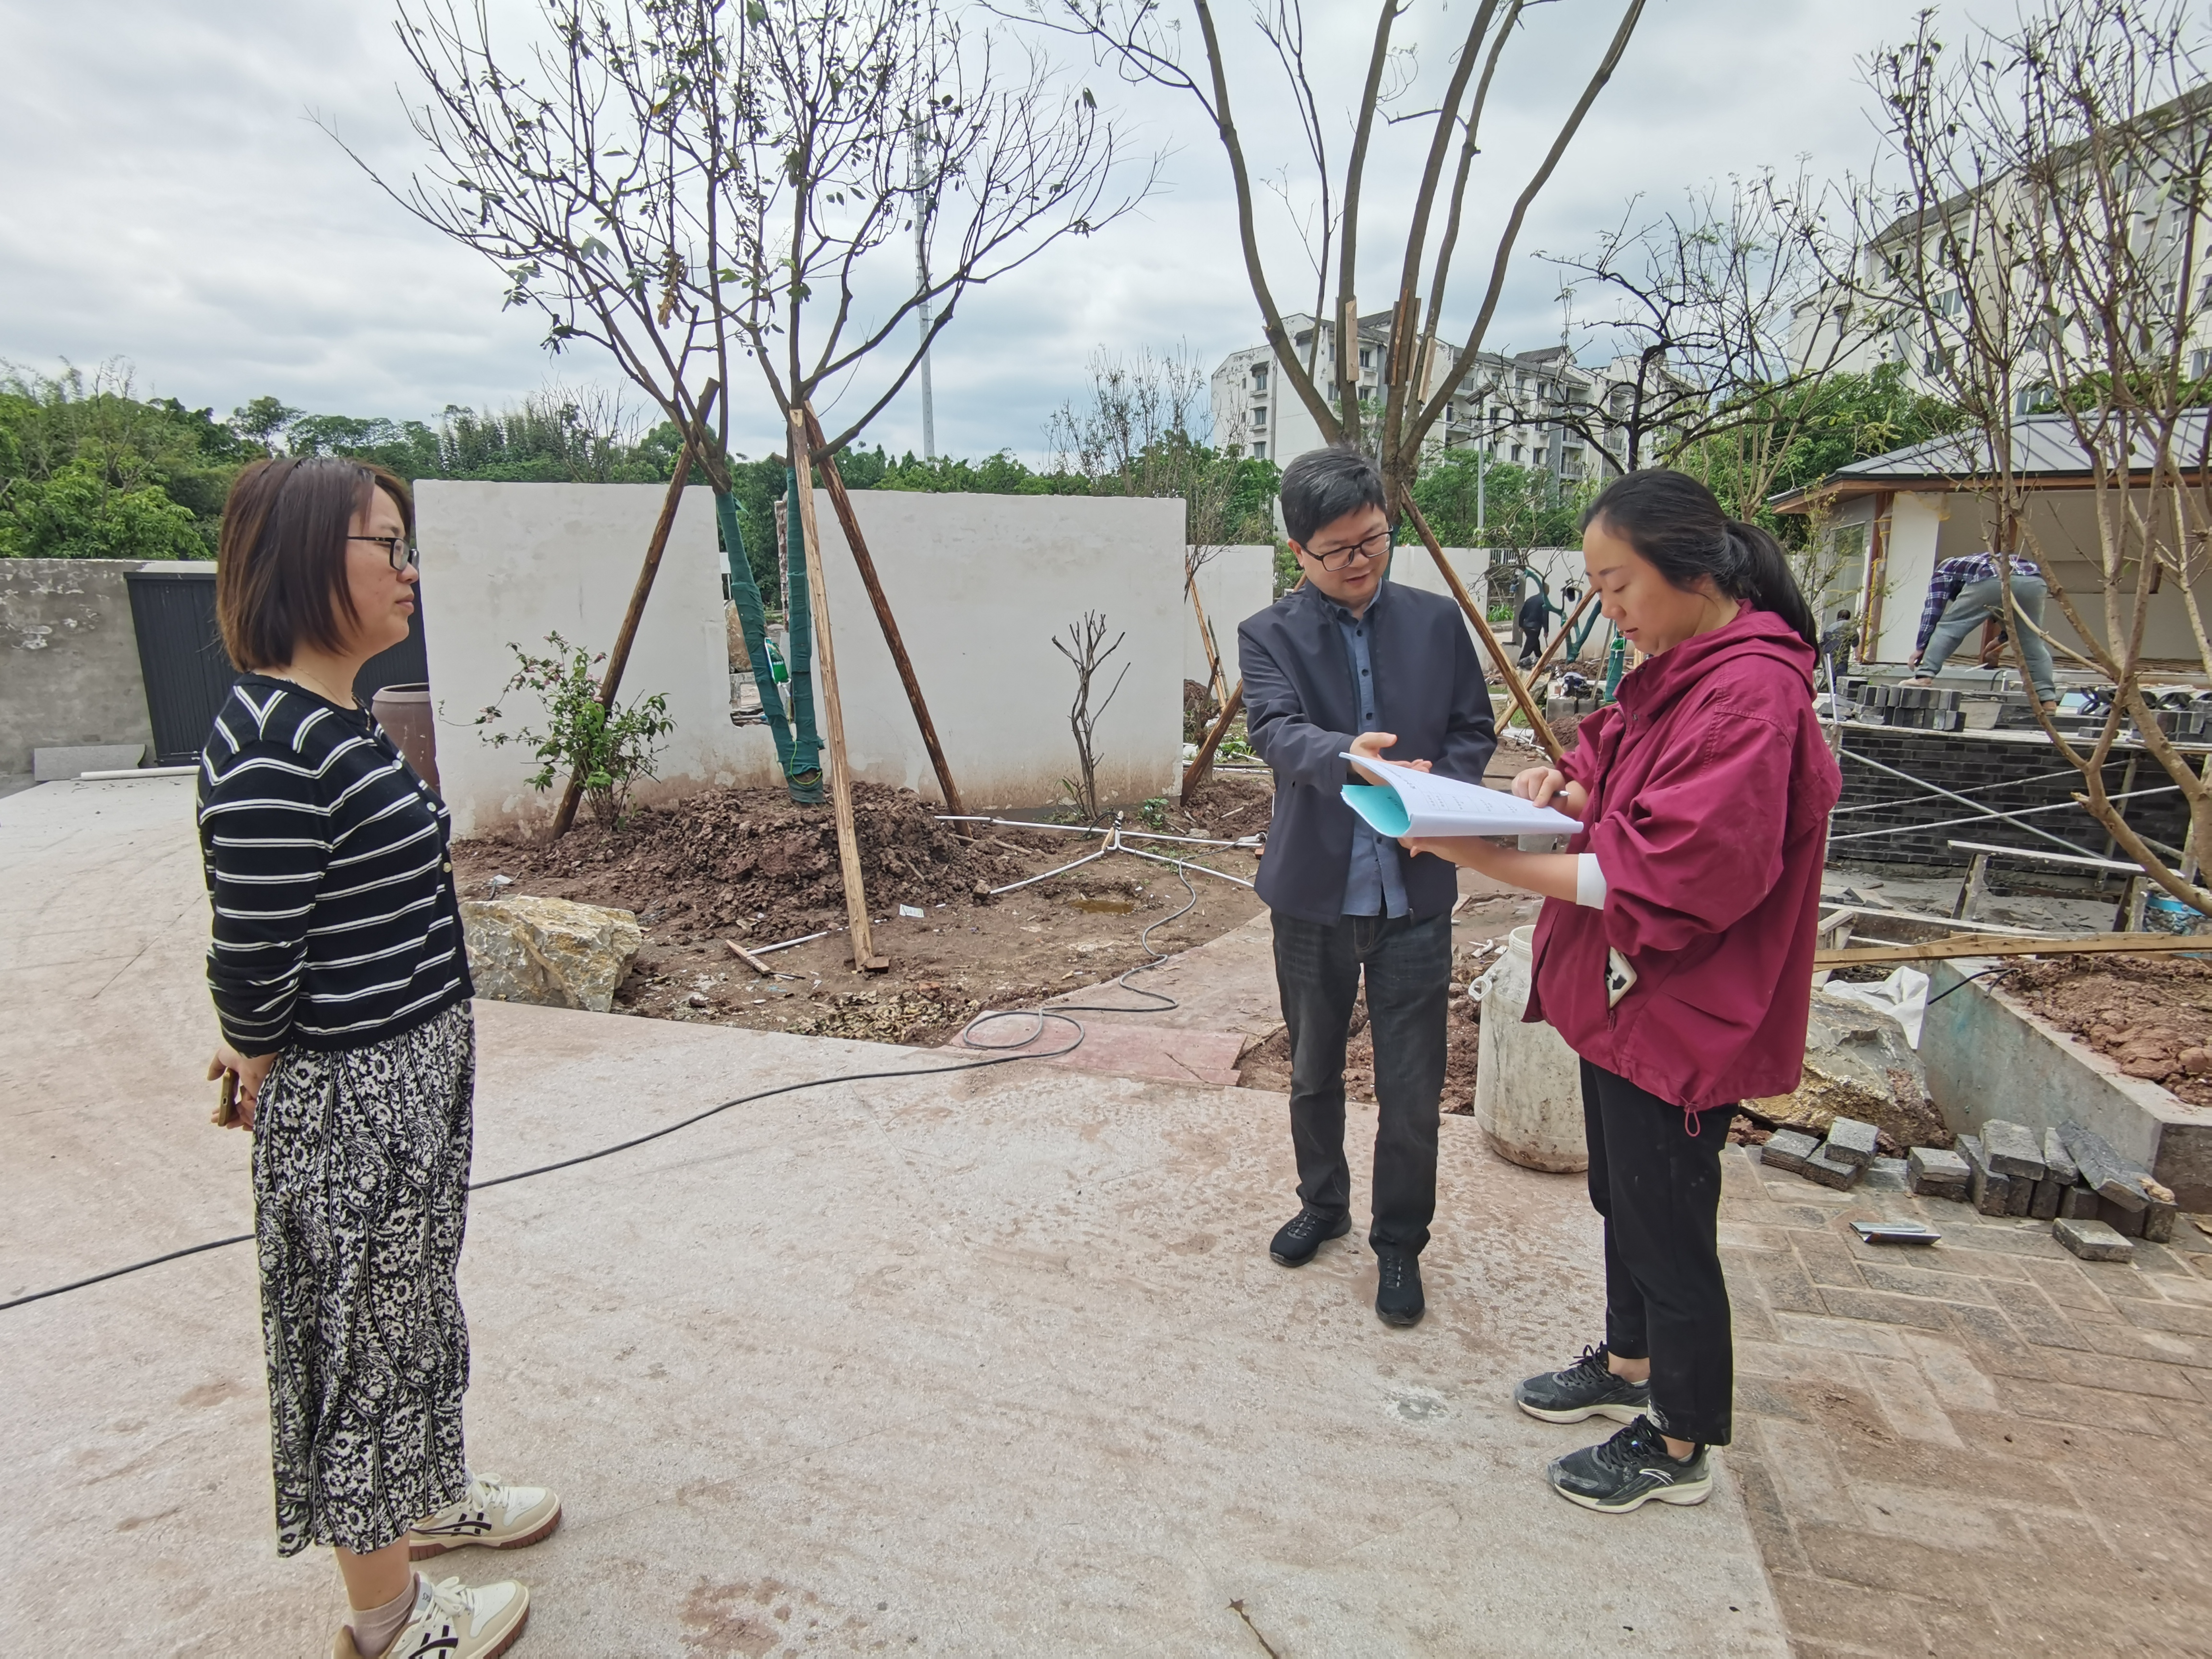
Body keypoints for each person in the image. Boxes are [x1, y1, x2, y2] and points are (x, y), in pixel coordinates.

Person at [1401, 469, 1840, 1513]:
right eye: (1596, 586)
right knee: (1624, 1200)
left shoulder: (1752, 691)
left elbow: (1667, 873)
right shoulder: (1684, 663)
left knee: (1670, 1220)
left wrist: (1476, 849)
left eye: (1619, 585)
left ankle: (1682, 1441)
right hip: (1628, 996)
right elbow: (1618, 768)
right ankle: (1631, 1367)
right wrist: (1561, 784)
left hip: (1688, 1007)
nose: (1610, 609)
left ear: (1693, 573)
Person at [200, 457, 560, 1659]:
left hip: (407, 1074)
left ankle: (427, 1495)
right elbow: (252, 945)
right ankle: (388, 1615)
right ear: (310, 556)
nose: (410, 571)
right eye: (385, 544)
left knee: (412, 1311)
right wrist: (250, 1046)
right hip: (354, 1096)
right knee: (363, 1340)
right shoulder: (268, 743)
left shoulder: (326, 720)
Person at [1238, 445, 1496, 1327]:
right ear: (1297, 551)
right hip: (1313, 891)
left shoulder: (1433, 621)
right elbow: (1273, 733)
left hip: (1413, 892)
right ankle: (1323, 1203)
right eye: (1338, 549)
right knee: (1312, 1070)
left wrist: (1436, 793)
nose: (1360, 561)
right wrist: (1346, 758)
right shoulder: (1268, 634)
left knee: (1411, 1082)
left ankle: (1399, 1244)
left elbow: (1471, 727)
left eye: (1372, 540)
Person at [1908, 550, 2056, 701]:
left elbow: (1933, 610)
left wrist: (1922, 646)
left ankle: (1924, 676)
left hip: (1993, 577)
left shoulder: (1944, 570)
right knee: (2031, 641)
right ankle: (2047, 698)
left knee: (1950, 626)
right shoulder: (1977, 562)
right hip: (2034, 582)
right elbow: (2006, 613)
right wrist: (2002, 639)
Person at [1516, 584, 1552, 668]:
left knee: (1536, 647)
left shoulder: (1530, 600)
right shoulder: (1545, 601)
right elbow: (1545, 616)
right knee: (1529, 647)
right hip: (1535, 628)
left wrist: (1521, 625)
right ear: (1547, 591)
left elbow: (1522, 613)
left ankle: (1542, 663)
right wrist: (1546, 630)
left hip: (1527, 626)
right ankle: (1519, 664)